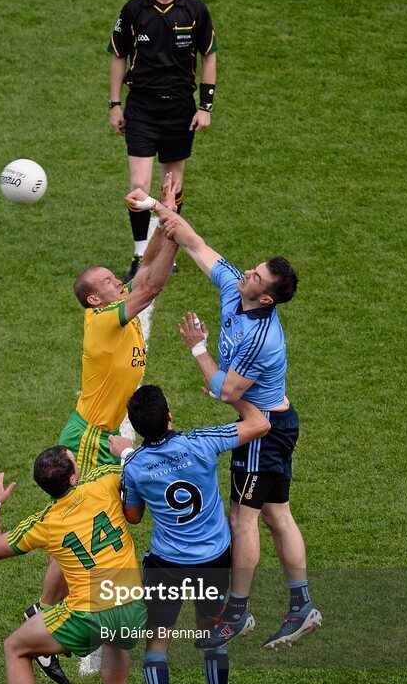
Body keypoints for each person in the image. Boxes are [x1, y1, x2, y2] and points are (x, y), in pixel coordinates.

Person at [127, 188, 323, 650]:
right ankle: (301, 606)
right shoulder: (237, 288)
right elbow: (192, 242)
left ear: (267, 297)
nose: (246, 273)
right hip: (275, 421)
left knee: (243, 520)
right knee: (278, 514)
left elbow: (227, 391)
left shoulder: (260, 337)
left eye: (256, 276)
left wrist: (198, 349)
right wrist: (157, 206)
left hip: (261, 429)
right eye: (251, 269)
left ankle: (236, 612)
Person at [27, 174, 179, 684]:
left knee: (87, 523)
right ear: (95, 302)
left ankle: (47, 611)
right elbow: (153, 283)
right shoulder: (104, 322)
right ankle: (47, 613)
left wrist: (165, 219)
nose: (120, 282)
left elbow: (144, 275)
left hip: (101, 431)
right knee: (85, 522)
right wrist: (170, 220)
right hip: (91, 437)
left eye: (117, 279)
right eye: (110, 282)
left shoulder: (120, 314)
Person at [110, 384, 270, 684]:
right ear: (170, 417)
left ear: (136, 426)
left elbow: (132, 517)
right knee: (210, 636)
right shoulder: (201, 443)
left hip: (167, 564)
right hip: (213, 561)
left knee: (157, 645)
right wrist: (230, 393)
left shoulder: (134, 467)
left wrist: (127, 455)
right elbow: (260, 424)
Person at [0, 447, 147, 684]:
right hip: (132, 605)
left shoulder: (46, 523)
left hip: (87, 614)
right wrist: (123, 452)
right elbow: (134, 472)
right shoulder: (105, 481)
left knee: (14, 647)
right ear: (73, 475)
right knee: (115, 637)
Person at [108, 0, 217, 282]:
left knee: (172, 186)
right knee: (139, 186)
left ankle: (166, 250)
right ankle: (141, 254)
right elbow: (117, 56)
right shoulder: (133, 10)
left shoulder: (195, 10)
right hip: (141, 107)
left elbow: (209, 55)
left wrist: (206, 106)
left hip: (180, 110)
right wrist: (114, 104)